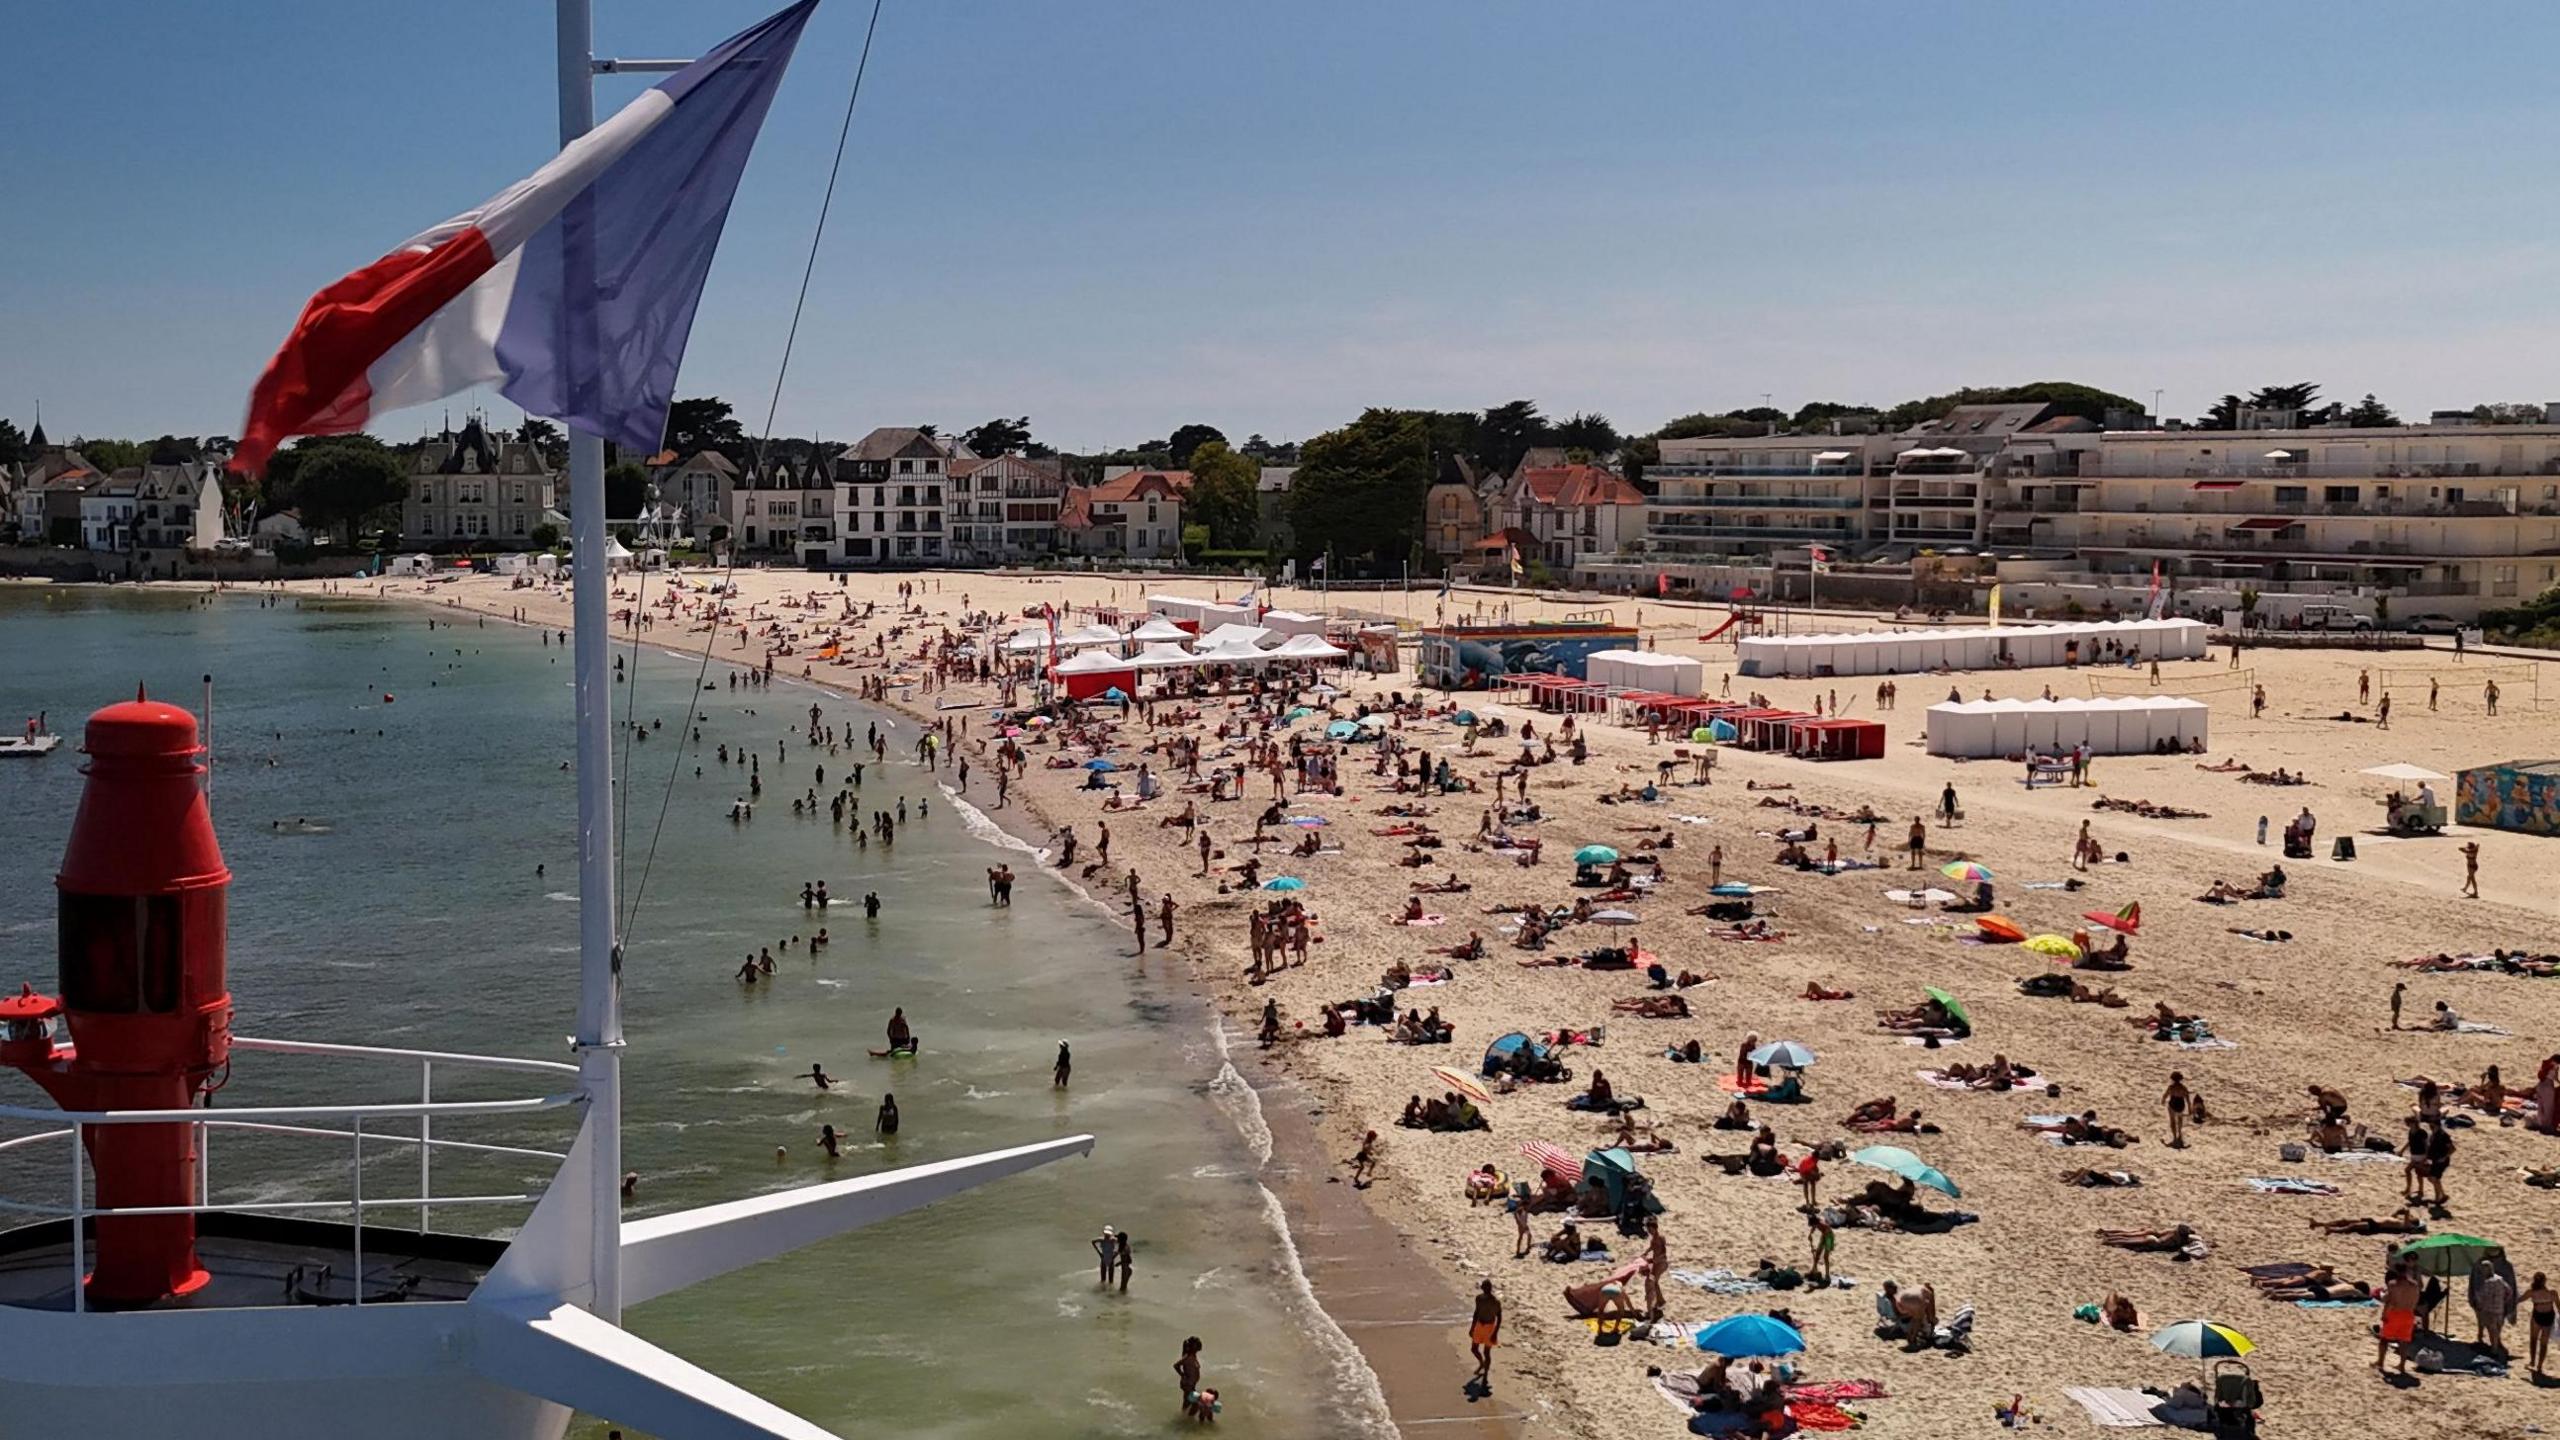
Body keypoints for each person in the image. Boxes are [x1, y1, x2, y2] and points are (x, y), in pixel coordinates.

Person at [1468, 1280, 1502, 1392]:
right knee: (1474, 1349)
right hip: (1479, 1324)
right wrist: (1472, 1328)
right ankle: (1482, 1364)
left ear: (1490, 1288)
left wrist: (1495, 1333)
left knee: (1487, 1352)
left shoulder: (1495, 1302)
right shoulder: (1478, 1299)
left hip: (1489, 1327)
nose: (1485, 1289)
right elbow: (1476, 1313)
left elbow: (1499, 1318)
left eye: (1487, 1287)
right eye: (1484, 1287)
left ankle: (1485, 1376)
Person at [2523, 1271, 2556, 1378]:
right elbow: (2559, 1308)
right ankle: (2540, 1366)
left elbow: (2519, 1300)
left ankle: (2532, 1361)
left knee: (2533, 1339)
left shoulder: (2531, 1292)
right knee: (2544, 1343)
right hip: (2548, 1317)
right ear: (2545, 1281)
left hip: (2537, 1316)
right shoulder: (2552, 1293)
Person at [2163, 1071, 2190, 1148]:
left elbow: (2165, 1095)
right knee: (2180, 1119)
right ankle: (2180, 1133)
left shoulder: (2171, 1087)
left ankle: (2174, 1136)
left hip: (2172, 1105)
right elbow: (2188, 1100)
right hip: (2181, 1105)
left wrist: (2163, 1101)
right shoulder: (2183, 1088)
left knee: (2172, 1121)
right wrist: (2190, 1109)